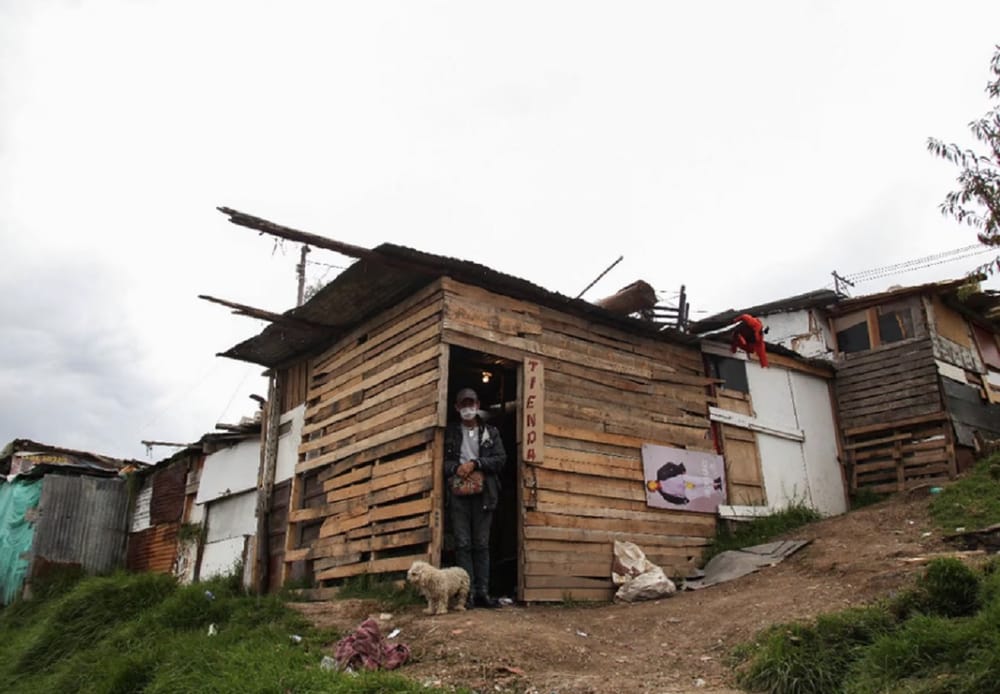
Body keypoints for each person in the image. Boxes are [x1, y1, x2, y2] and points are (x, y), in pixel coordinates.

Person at [444, 387, 507, 608]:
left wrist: (476, 464)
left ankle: (483, 593)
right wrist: (455, 468)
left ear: (478, 405)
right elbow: (439, 462)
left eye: (471, 403)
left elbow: (500, 459)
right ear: (456, 407)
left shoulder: (491, 432)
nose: (468, 408)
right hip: (459, 495)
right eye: (464, 404)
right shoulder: (450, 432)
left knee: (481, 544)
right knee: (462, 544)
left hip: (485, 494)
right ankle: (466, 595)